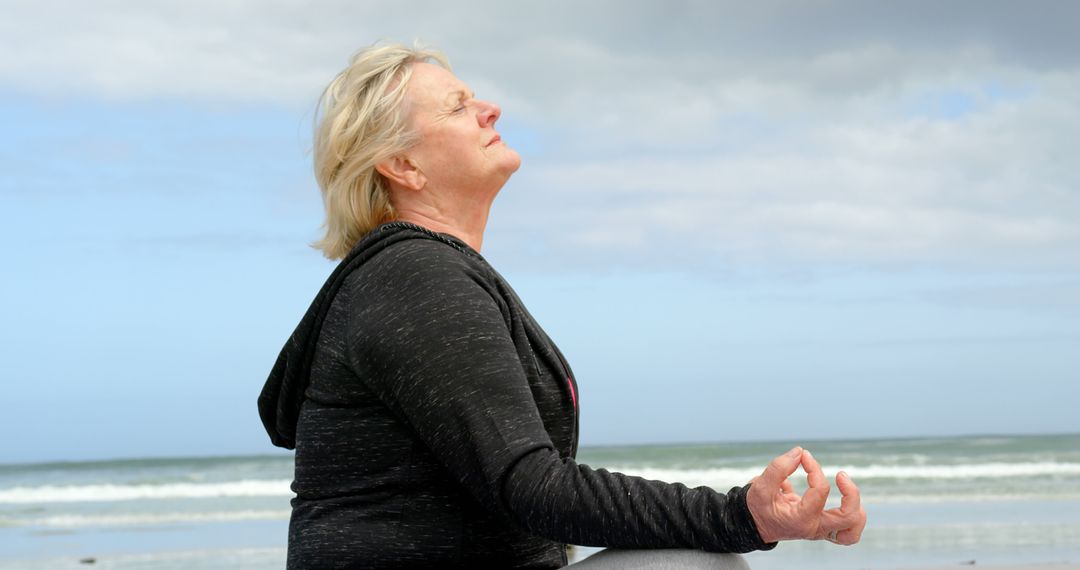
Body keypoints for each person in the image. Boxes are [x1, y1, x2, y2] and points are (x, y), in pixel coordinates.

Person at [258, 42, 867, 569]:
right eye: (457, 105)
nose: (489, 108)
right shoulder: (417, 279)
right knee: (701, 561)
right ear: (402, 165)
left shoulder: (419, 273)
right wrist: (744, 515)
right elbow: (533, 487)